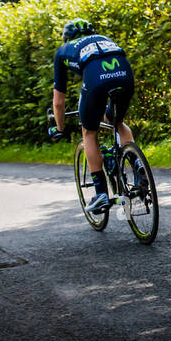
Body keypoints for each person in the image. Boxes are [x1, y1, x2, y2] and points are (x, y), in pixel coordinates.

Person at [51, 18, 137, 214]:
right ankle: (137, 165)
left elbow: (58, 102)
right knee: (116, 120)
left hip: (96, 77)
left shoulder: (64, 50)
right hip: (125, 73)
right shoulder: (103, 38)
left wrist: (59, 128)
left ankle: (101, 194)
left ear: (67, 38)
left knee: (89, 131)